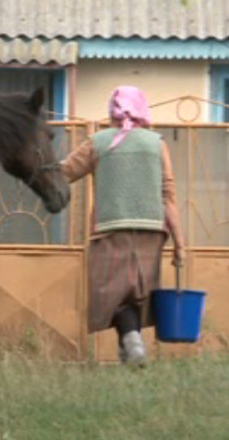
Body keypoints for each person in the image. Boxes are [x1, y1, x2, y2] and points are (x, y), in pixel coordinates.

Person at [60, 86, 185, 366]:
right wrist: (180, 244)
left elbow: (64, 173)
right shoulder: (157, 143)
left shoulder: (98, 142)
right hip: (151, 230)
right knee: (138, 294)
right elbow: (169, 195)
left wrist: (34, 167)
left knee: (112, 296)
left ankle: (132, 342)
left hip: (110, 229)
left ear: (111, 111)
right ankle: (130, 352)